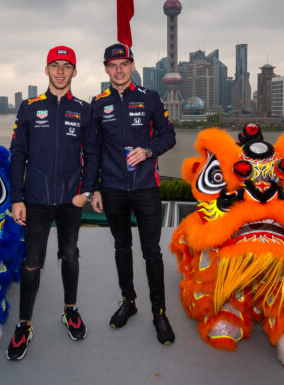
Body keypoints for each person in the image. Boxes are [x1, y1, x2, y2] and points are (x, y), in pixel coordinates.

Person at [6, 45, 99, 361]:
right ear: (46, 70)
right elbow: (18, 154)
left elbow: (93, 154)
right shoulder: (29, 107)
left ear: (75, 72)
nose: (61, 71)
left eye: (67, 66)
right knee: (32, 260)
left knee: (70, 253)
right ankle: (24, 325)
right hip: (35, 200)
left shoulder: (85, 110)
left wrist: (86, 191)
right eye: (55, 65)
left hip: (71, 201)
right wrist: (16, 198)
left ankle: (70, 310)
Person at [90, 43, 176, 345]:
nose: (119, 70)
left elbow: (169, 135)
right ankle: (129, 301)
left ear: (133, 65)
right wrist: (95, 188)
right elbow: (93, 150)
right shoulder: (98, 103)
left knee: (152, 252)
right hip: (112, 189)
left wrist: (148, 150)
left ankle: (160, 312)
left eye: (124, 64)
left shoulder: (149, 98)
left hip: (146, 189)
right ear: (105, 68)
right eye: (113, 65)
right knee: (121, 248)